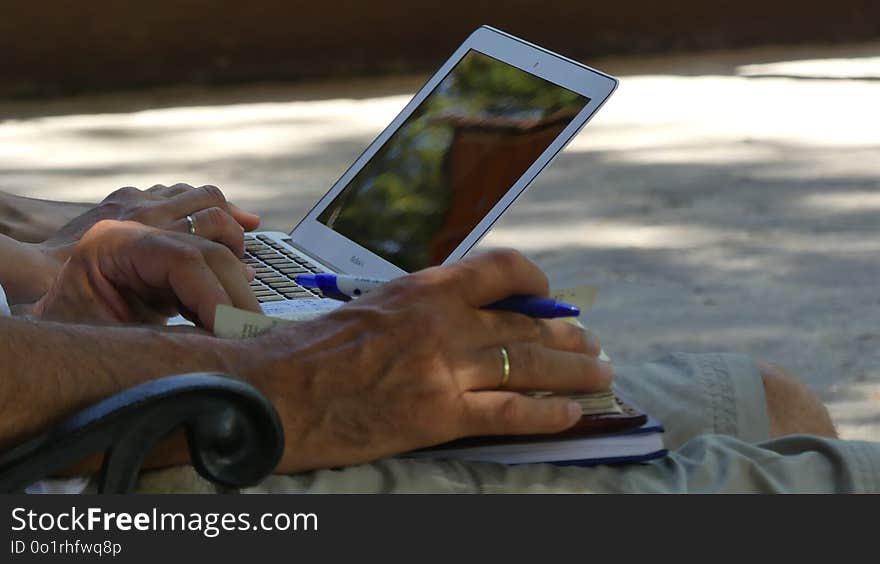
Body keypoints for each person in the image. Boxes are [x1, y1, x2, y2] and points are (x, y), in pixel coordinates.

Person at [0, 185, 876, 493]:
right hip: (74, 476)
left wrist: (37, 247)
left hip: (53, 370)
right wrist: (295, 377)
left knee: (771, 401)